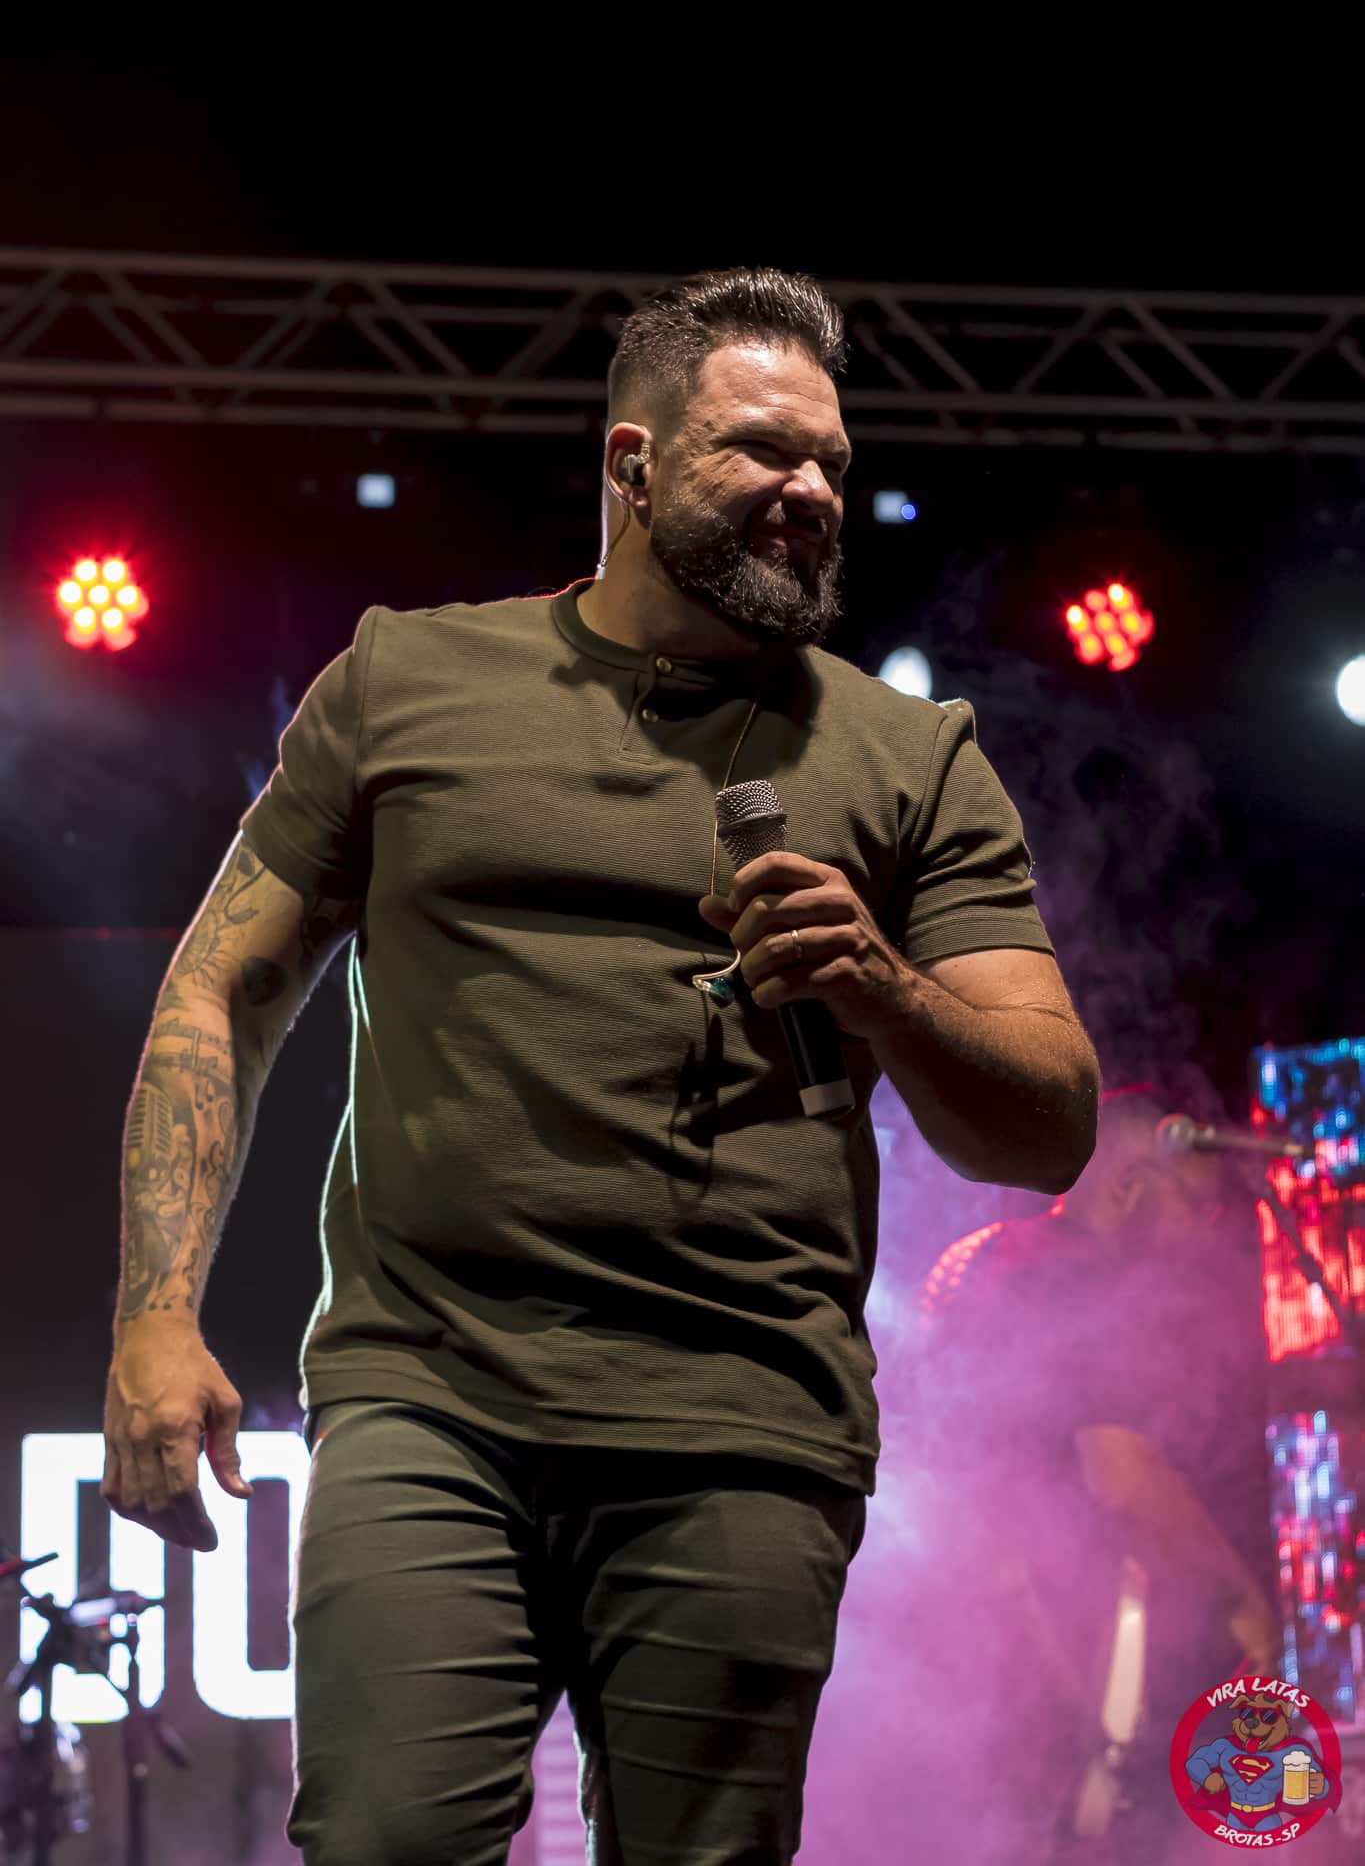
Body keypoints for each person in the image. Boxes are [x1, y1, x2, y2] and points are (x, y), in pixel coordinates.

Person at [101, 266, 1099, 1866]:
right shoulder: (408, 683)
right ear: (631, 463)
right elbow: (220, 992)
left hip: (742, 1423)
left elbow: (1046, 1130)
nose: (809, 490)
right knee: (382, 1841)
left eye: (831, 462)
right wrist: (155, 1317)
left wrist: (887, 989)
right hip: (430, 1400)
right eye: (762, 449)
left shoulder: (911, 758)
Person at [912, 1085, 1279, 1864]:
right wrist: (1239, 1598)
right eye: (1195, 1206)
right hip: (1026, 1675)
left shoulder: (982, 1258)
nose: (1203, 1232)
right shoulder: (1081, 1279)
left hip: (952, 1663)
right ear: (1128, 1186)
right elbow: (1121, 1474)